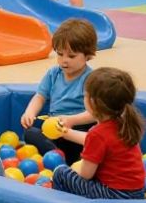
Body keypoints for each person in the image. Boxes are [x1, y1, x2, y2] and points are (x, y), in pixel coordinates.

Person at [49, 68, 146, 200]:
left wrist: (73, 169)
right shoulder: (124, 121)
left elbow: (85, 174)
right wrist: (66, 133)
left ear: (92, 102)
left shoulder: (98, 134)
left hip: (114, 195)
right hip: (137, 192)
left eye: (85, 95)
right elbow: (94, 142)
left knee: (60, 173)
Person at [19, 19, 96, 164]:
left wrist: (71, 121)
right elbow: (40, 96)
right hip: (54, 128)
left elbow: (95, 114)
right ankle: (56, 156)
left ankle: (66, 158)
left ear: (87, 55)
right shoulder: (54, 74)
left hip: (76, 130)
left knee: (93, 135)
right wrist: (30, 112)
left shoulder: (91, 79)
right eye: (60, 54)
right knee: (30, 133)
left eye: (71, 56)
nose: (64, 60)